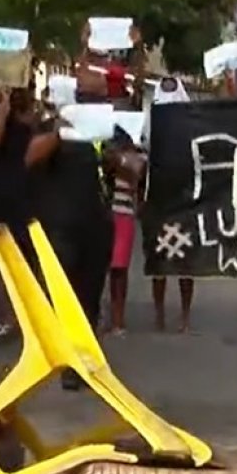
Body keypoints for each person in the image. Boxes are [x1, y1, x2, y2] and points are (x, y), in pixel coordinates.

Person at [27, 88, 114, 392]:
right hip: (60, 227)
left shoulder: (103, 130)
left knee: (89, 299)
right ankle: (67, 363)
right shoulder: (52, 128)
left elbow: (124, 163)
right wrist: (62, 130)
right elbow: (32, 156)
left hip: (96, 224)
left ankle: (86, 362)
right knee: (64, 297)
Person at [0, 84, 38, 332]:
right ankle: (9, 315)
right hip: (3, 201)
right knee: (6, 262)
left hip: (22, 199)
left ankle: (28, 316)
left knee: (26, 261)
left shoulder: (29, 129)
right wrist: (2, 106)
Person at [148, 75, 197, 333]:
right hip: (159, 200)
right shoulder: (152, 118)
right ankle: (160, 315)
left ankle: (184, 316)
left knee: (184, 260)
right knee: (160, 261)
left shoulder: (189, 122)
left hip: (184, 199)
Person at [107, 129, 145, 335]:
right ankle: (108, 316)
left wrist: (119, 160)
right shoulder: (104, 153)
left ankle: (118, 319)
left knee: (119, 270)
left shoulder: (137, 157)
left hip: (123, 216)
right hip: (103, 214)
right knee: (104, 271)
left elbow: (135, 177)